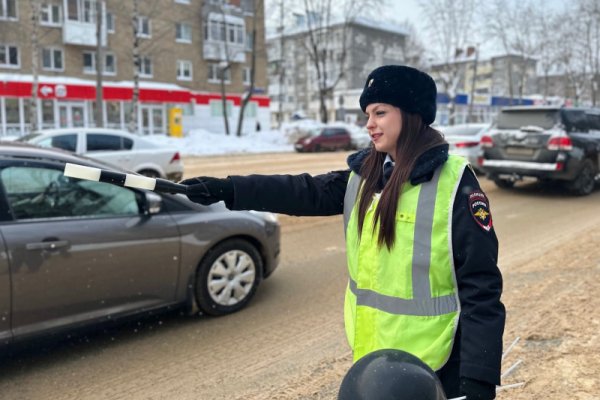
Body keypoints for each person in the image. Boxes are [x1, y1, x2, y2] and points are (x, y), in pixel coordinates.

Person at [180, 65, 505, 400]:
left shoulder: (454, 185)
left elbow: (481, 287)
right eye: (367, 114)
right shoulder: (364, 176)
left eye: (380, 112)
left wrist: (477, 380)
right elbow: (300, 191)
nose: (369, 124)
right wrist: (228, 189)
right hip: (372, 360)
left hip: (435, 365)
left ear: (412, 114)